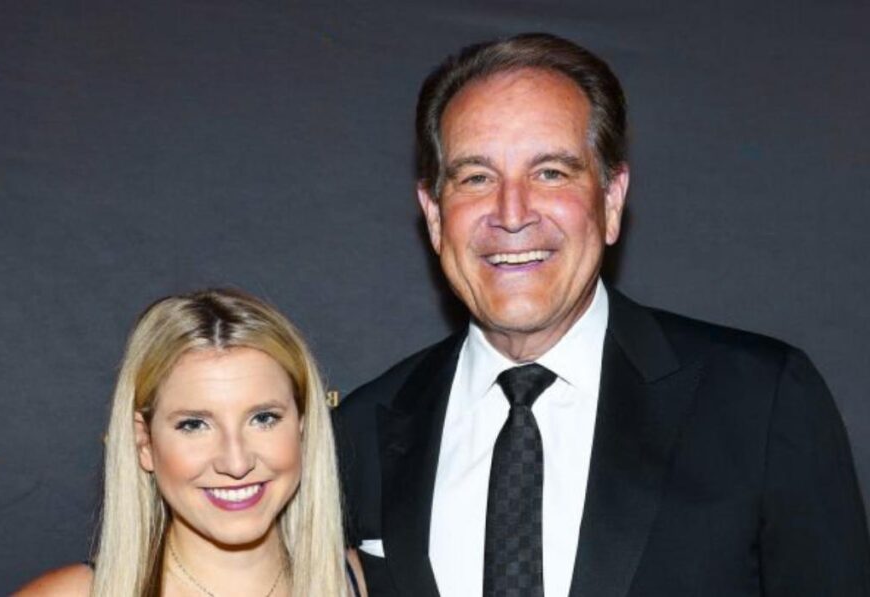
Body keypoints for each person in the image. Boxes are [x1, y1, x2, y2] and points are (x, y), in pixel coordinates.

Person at [334, 32, 870, 597]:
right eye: (476, 178)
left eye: (551, 173)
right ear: (434, 215)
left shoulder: (760, 401)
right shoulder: (359, 433)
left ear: (611, 201)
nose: (511, 214)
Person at [17, 289, 365, 596]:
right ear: (144, 443)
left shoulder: (373, 583)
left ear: (303, 428)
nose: (236, 463)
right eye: (195, 425)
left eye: (263, 419)